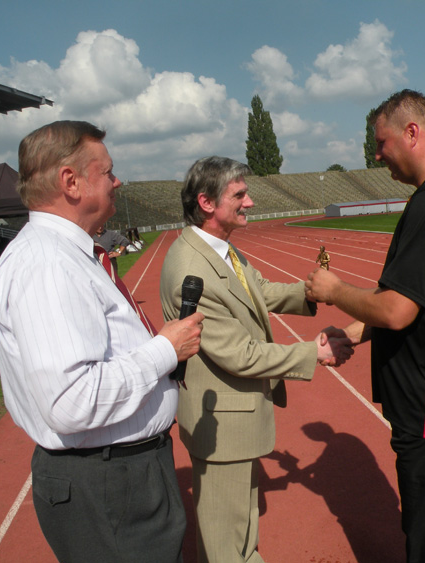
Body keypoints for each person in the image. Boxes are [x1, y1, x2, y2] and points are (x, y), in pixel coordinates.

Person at [0, 121, 204, 563]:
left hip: (115, 473)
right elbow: (72, 401)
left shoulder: (64, 254)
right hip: (110, 482)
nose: (117, 181)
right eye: (107, 172)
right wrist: (165, 350)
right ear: (70, 182)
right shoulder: (49, 264)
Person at [304, 89, 425, 562]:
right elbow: (423, 296)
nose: (376, 155)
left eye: (381, 142)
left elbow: (397, 309)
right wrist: (356, 332)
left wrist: (333, 290)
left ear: (412, 133)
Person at [159, 156, 353, 563]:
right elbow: (240, 355)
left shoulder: (218, 250)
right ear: (207, 203)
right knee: (227, 548)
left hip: (232, 422)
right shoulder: (193, 269)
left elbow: (258, 290)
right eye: (239, 195)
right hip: (221, 427)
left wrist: (311, 292)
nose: (250, 202)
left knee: (240, 540)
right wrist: (314, 352)